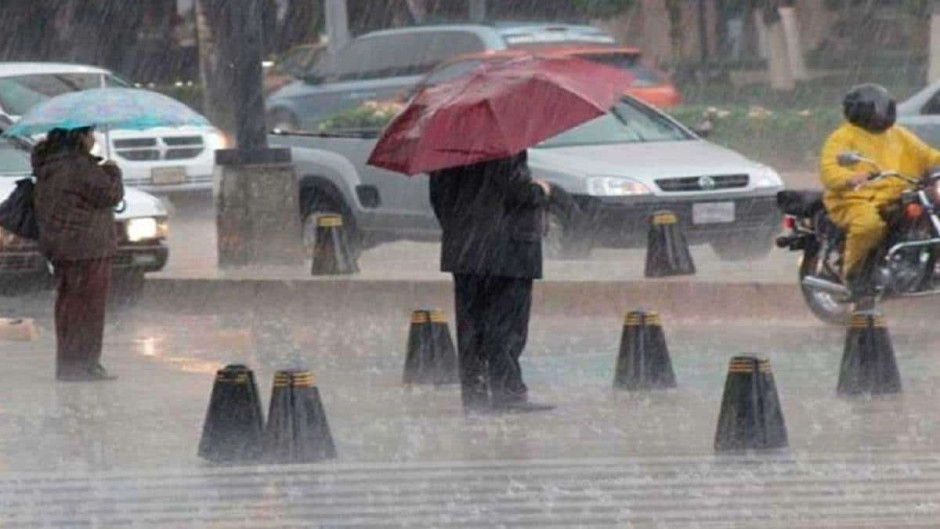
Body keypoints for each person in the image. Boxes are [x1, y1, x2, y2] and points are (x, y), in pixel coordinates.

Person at [429, 151, 555, 414]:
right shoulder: (503, 147)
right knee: (506, 325)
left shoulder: (445, 150)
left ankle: (475, 394)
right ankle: (506, 392)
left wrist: (463, 231)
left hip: (465, 250)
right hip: (509, 251)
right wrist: (540, 190)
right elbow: (516, 192)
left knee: (472, 325)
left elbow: (439, 201)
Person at [820, 84, 940, 291]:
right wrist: (851, 178)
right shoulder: (843, 137)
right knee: (868, 225)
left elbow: (927, 154)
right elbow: (829, 168)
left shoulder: (898, 134)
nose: (880, 115)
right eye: (875, 110)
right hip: (854, 199)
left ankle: (917, 264)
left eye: (884, 109)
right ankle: (853, 273)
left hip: (897, 195)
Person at [32, 127, 124, 381]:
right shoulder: (79, 167)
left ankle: (69, 362)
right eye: (90, 133)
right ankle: (85, 364)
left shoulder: (48, 165)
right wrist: (113, 170)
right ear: (79, 137)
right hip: (88, 247)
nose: (93, 139)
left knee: (69, 306)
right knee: (89, 308)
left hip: (61, 247)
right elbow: (111, 194)